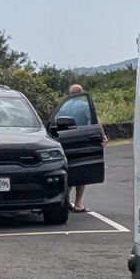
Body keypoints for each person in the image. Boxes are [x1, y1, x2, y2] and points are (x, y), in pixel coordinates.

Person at [57, 83, 107, 212]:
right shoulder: (84, 105)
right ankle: (78, 204)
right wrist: (102, 136)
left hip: (65, 140)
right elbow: (95, 122)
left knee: (69, 170)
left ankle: (66, 201)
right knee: (82, 170)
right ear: (82, 93)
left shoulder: (64, 106)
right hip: (81, 139)